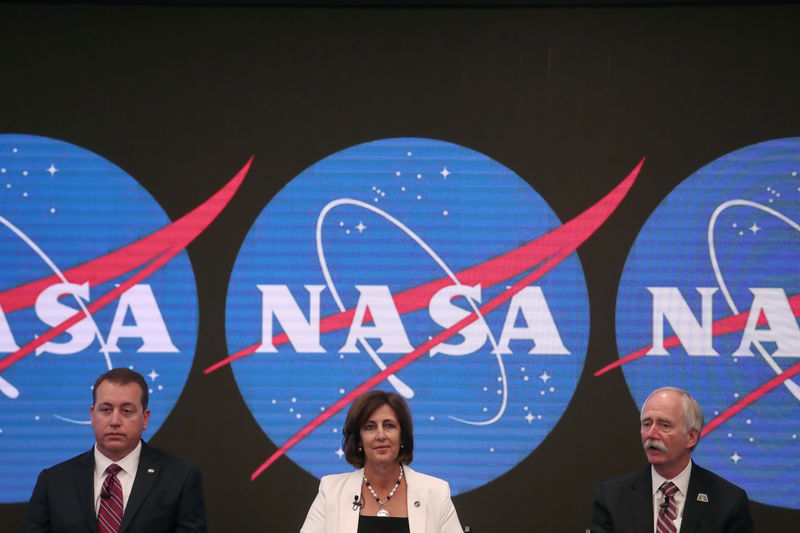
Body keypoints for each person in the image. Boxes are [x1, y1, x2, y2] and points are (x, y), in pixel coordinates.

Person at [22, 368, 207, 533]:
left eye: (126, 411)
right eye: (106, 409)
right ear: (92, 415)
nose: (115, 421)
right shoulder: (53, 482)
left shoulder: (180, 478)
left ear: (145, 418)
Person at [590, 386, 753, 533]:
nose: (651, 434)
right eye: (646, 424)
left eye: (664, 425)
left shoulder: (728, 501)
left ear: (691, 437)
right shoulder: (612, 497)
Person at [300, 390, 463, 533]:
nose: (381, 435)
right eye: (370, 427)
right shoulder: (331, 491)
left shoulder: (436, 493)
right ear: (358, 440)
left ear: (402, 436)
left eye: (389, 426)